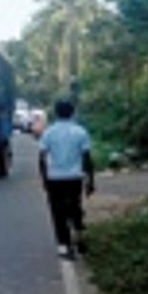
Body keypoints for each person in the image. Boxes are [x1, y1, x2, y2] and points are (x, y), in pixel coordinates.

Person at [38, 99, 95, 259]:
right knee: (75, 206)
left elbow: (42, 157)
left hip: (55, 178)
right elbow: (87, 158)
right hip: (75, 177)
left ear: (56, 113)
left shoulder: (49, 133)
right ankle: (79, 235)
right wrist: (90, 180)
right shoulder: (80, 132)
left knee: (58, 211)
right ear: (73, 112)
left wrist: (44, 178)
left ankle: (64, 245)